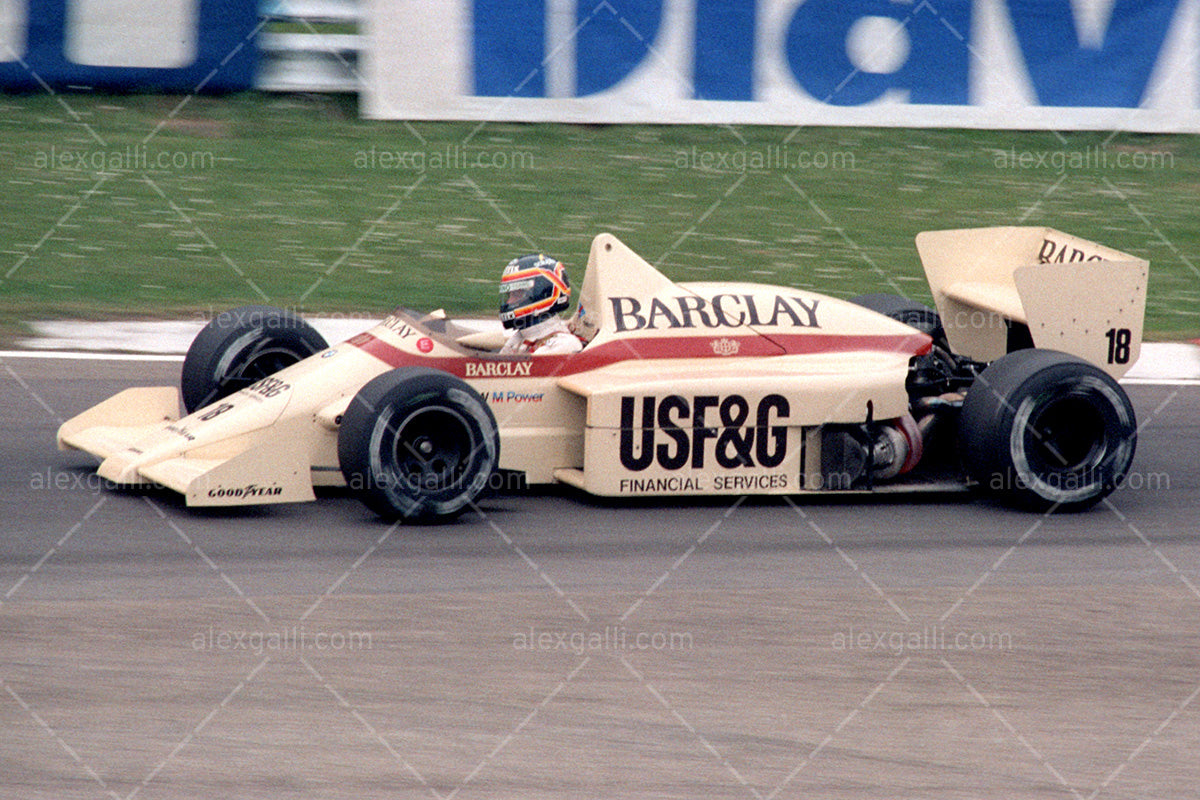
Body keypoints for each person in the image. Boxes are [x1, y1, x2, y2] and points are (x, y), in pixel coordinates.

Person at [498, 254, 584, 355]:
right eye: (509, 295)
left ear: (541, 296)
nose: (509, 302)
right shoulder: (520, 337)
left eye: (516, 295)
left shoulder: (565, 344)